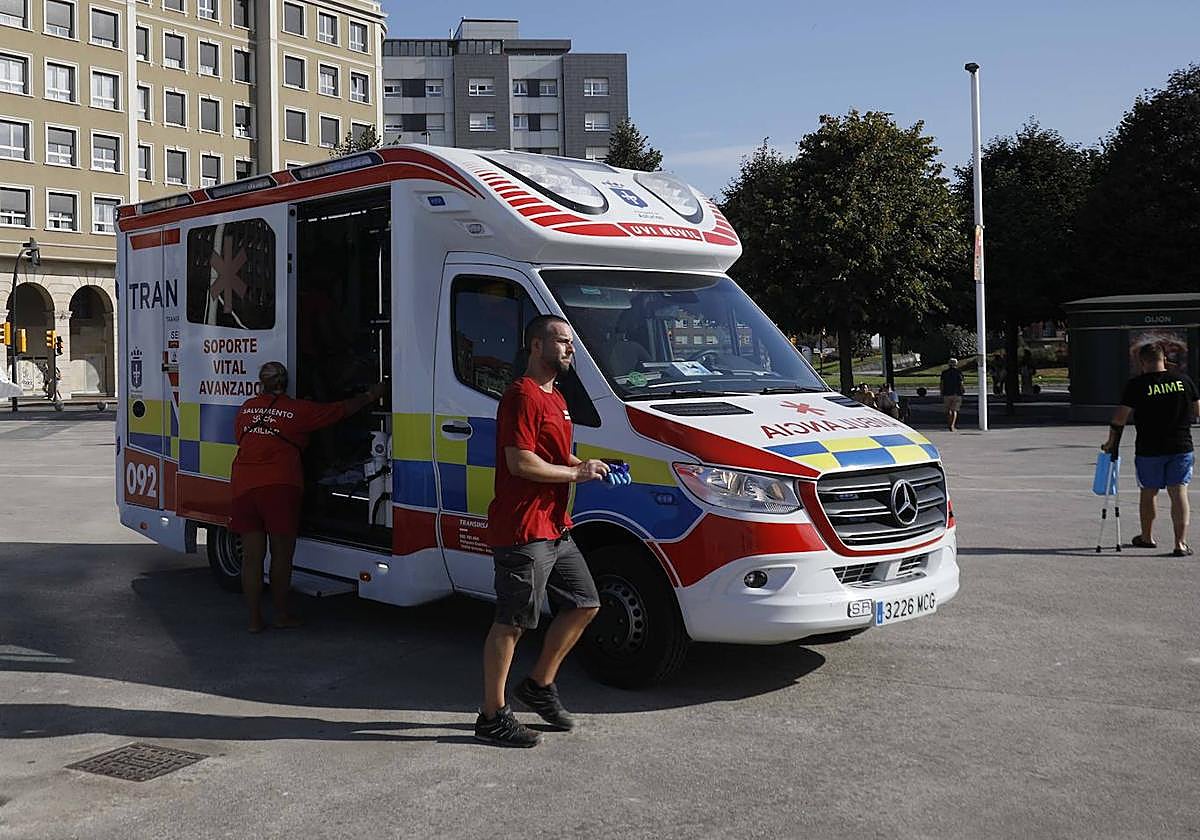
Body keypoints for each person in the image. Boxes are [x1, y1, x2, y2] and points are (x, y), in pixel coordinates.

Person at [476, 315, 610, 748]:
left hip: (554, 526)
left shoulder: (556, 397)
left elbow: (552, 451)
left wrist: (581, 465)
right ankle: (491, 715)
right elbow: (521, 462)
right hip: (523, 528)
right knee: (512, 622)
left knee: (585, 602)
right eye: (562, 342)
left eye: (571, 343)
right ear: (536, 345)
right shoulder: (521, 395)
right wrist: (575, 476)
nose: (570, 349)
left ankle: (538, 685)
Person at [230, 362, 385, 632]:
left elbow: (240, 438)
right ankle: (281, 615)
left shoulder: (246, 409)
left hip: (243, 486)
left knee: (252, 559)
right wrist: (370, 396)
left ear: (260, 384)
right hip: (279, 487)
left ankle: (254, 620)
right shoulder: (297, 410)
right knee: (280, 558)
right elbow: (338, 411)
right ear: (285, 383)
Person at [1102, 342, 1199, 556]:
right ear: (1164, 358)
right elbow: (1197, 410)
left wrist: (1111, 443)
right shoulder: (1183, 381)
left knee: (1149, 492)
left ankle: (1147, 537)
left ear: (1142, 362)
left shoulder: (1136, 385)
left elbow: (1119, 419)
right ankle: (1180, 544)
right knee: (1179, 493)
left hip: (1149, 448)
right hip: (1181, 446)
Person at [940, 358, 966, 431]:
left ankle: (949, 424)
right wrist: (962, 390)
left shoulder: (944, 373)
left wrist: (942, 391)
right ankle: (952, 425)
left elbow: (942, 383)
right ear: (956, 364)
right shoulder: (959, 372)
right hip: (956, 393)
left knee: (948, 410)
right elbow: (961, 383)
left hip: (947, 393)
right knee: (954, 410)